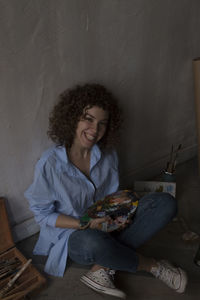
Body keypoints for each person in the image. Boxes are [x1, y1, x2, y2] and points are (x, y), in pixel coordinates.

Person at [25, 83, 187, 298]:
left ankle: (102, 268)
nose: (94, 130)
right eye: (88, 119)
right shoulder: (49, 164)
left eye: (102, 124)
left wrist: (124, 210)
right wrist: (84, 223)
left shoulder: (108, 154)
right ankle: (153, 266)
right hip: (76, 234)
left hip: (108, 223)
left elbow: (111, 198)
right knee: (92, 241)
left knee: (166, 202)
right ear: (72, 117)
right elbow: (43, 214)